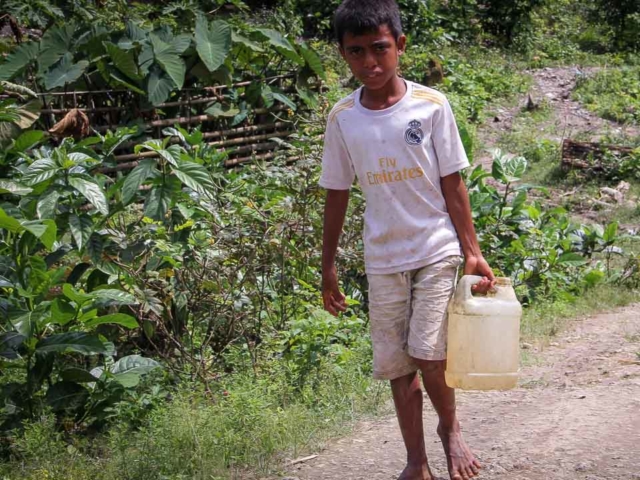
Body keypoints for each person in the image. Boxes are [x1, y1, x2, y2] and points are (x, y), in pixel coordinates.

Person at [319, 1, 496, 479]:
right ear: (343, 55)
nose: (370, 63)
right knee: (398, 366)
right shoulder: (342, 118)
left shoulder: (432, 106)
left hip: (435, 247)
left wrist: (473, 252)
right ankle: (416, 463)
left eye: (379, 49)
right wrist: (328, 265)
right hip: (381, 256)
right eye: (356, 53)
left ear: (399, 45)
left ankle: (450, 429)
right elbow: (337, 192)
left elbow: (453, 183)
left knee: (426, 352)